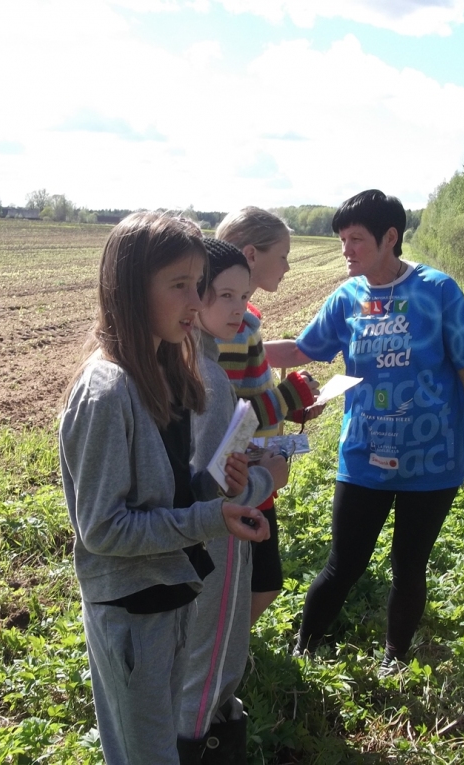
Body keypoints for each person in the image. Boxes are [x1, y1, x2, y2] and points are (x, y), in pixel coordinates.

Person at [264, 189, 464, 673]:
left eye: (356, 239)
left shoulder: (438, 291)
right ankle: (303, 651)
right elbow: (300, 351)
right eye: (342, 240)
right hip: (362, 460)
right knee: (343, 565)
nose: (346, 250)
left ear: (390, 238)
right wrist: (229, 341)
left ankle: (394, 661)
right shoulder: (347, 298)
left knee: (409, 569)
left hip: (433, 463)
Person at [59, 212, 270, 765]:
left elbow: (168, 495)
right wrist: (208, 519)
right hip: (133, 615)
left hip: (171, 597)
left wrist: (216, 487)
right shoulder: (107, 393)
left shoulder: (164, 372)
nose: (196, 303)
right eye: (180, 286)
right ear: (130, 290)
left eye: (198, 285)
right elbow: (103, 528)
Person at [177, 238, 290, 763]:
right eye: (223, 295)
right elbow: (214, 484)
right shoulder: (210, 381)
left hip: (192, 542)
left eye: (242, 298)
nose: (236, 310)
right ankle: (202, 743)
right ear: (194, 297)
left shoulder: (184, 367)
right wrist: (269, 479)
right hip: (215, 548)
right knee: (213, 655)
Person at [214, 207, 322, 624]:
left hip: (254, 462)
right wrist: (288, 396)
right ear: (250, 255)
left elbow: (249, 395)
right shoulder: (235, 326)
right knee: (262, 581)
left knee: (260, 580)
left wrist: (290, 404)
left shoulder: (245, 318)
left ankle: (229, 652)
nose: (289, 266)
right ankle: (227, 654)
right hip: (241, 471)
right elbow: (232, 416)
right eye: (283, 255)